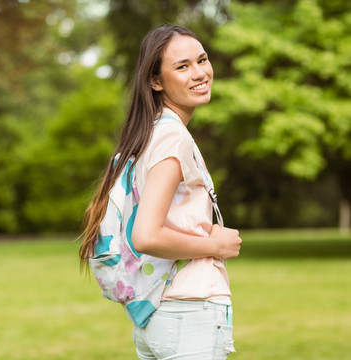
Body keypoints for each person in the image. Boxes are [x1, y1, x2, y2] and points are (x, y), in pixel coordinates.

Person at [79, 24, 242, 359]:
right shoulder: (171, 136)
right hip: (188, 312)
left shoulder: (150, 132)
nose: (199, 73)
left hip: (159, 315)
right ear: (155, 81)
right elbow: (147, 235)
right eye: (182, 66)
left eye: (202, 60)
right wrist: (216, 245)